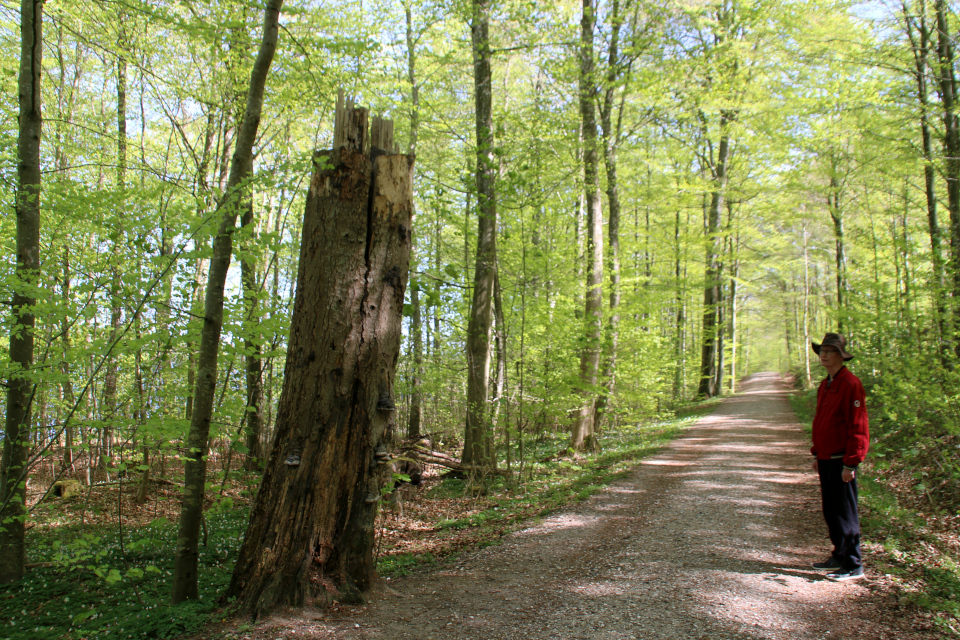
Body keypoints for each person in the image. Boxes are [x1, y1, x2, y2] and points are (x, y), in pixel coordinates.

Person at [809, 332, 869, 581]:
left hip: (842, 459)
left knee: (845, 511)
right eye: (822, 350)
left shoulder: (850, 384)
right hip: (826, 457)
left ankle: (854, 564)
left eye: (829, 351)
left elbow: (858, 425)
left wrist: (851, 461)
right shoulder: (826, 384)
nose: (823, 355)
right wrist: (817, 453)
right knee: (831, 510)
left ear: (840, 356)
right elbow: (822, 421)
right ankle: (839, 554)